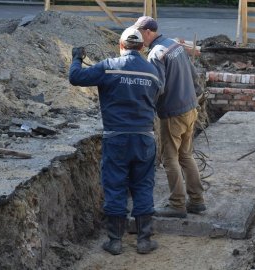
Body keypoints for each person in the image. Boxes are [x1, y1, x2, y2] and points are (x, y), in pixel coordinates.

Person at [69, 27, 164, 255]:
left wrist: (76, 58)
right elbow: (158, 93)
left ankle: (115, 241)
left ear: (121, 45)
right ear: (142, 47)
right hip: (144, 139)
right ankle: (144, 240)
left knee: (115, 186)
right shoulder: (152, 72)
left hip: (117, 139)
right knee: (143, 186)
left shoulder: (109, 66)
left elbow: (76, 77)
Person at [132, 16, 206, 218]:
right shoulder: (175, 45)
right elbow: (193, 73)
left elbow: (158, 87)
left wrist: (144, 107)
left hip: (173, 113)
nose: (138, 38)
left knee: (169, 158)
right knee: (186, 155)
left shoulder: (156, 54)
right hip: (190, 108)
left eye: (140, 33)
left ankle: (177, 205)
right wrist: (195, 96)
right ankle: (197, 201)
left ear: (148, 32)